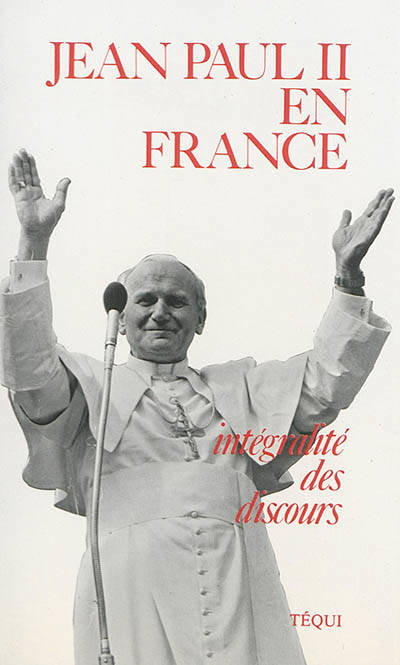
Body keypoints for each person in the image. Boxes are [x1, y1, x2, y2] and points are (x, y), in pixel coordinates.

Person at [0, 149, 393, 665]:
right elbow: (30, 374)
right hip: (132, 591)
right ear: (121, 318)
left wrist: (347, 278)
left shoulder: (239, 388)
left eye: (177, 301)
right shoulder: (93, 384)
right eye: (146, 300)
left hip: (239, 585)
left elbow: (326, 383)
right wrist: (33, 243)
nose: (161, 312)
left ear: (200, 319)